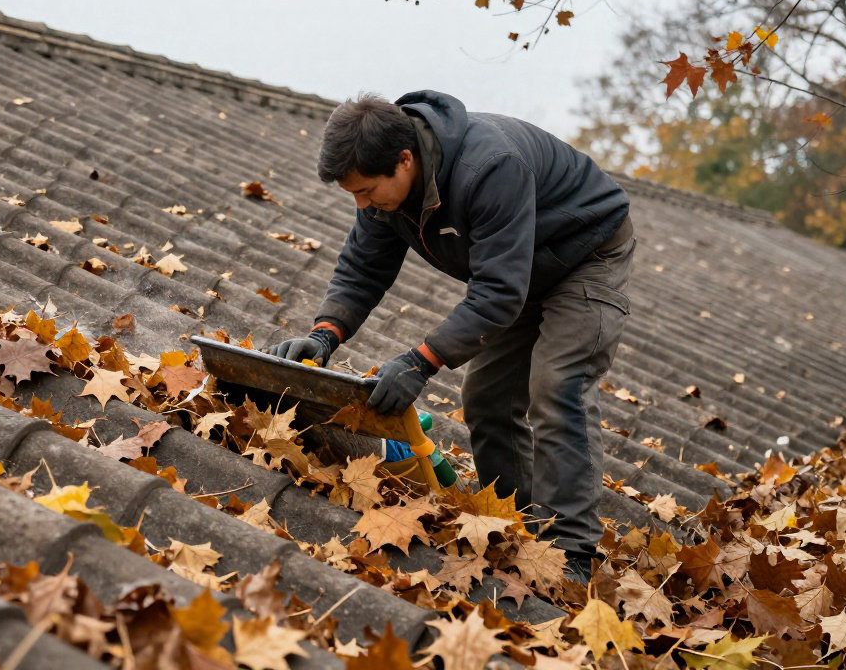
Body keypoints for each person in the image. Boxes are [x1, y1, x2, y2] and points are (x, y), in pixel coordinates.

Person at [266, 91, 634, 583]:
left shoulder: (490, 167)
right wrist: (325, 334)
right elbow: (362, 268)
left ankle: (571, 554)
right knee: (485, 397)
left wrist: (419, 362)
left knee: (557, 384)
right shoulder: (386, 189)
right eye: (353, 194)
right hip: (520, 269)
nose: (361, 204)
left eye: (367, 191)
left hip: (588, 254)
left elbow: (499, 293)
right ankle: (519, 526)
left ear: (404, 159)